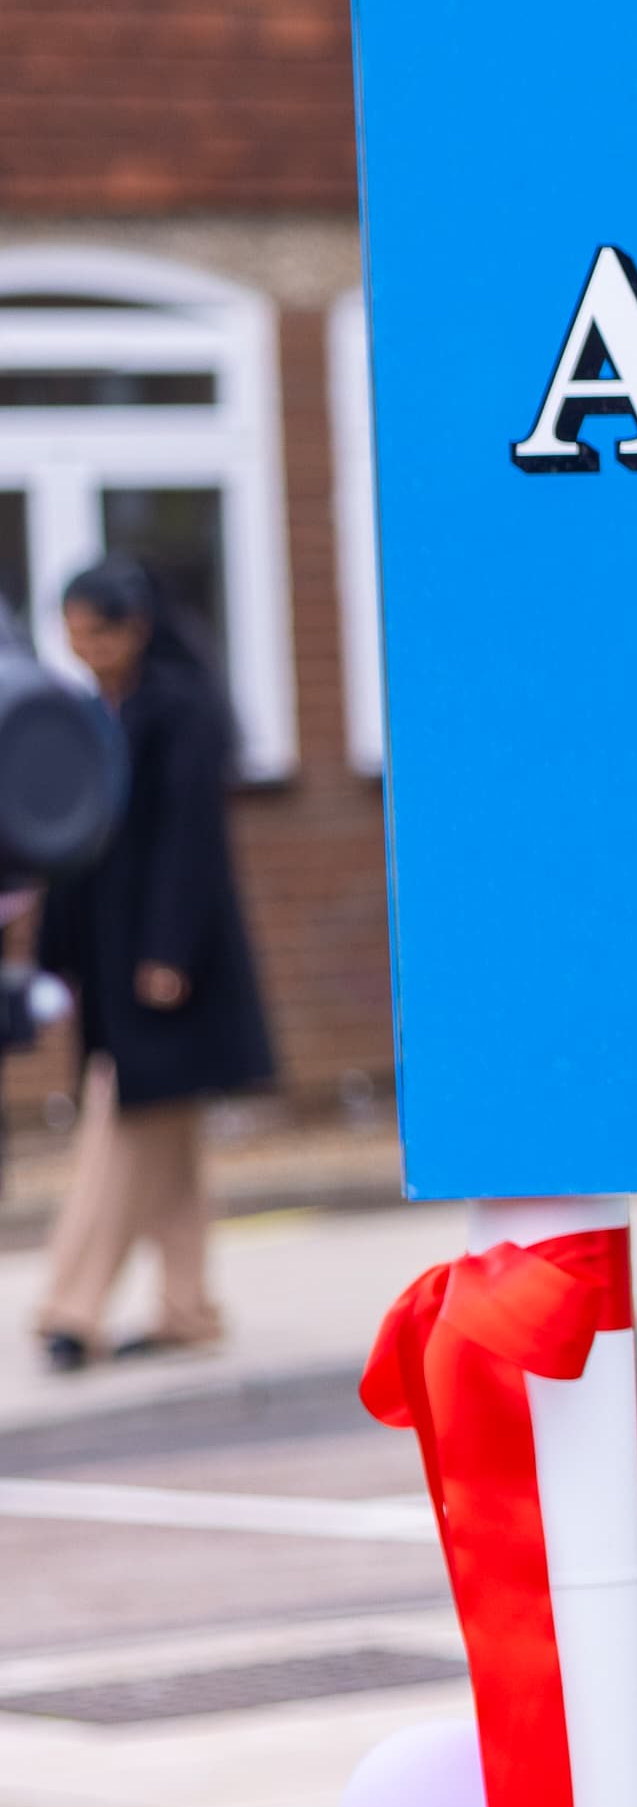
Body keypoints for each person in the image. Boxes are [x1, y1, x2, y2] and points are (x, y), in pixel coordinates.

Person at [35, 558, 272, 1370]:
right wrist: (56, 957)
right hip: (105, 960)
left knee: (126, 1125)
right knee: (166, 1138)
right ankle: (187, 1305)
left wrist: (168, 952)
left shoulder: (181, 710)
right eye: (72, 633)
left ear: (134, 628)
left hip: (165, 963)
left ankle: (71, 1307)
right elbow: (71, 842)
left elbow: (189, 844)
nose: (84, 647)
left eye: (96, 632)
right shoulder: (84, 711)